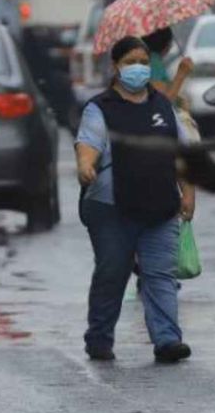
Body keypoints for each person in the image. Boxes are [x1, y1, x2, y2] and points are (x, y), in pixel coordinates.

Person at [75, 35, 196, 364]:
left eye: (144, 63)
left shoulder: (163, 107)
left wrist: (188, 191)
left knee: (159, 275)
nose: (139, 69)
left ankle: (168, 340)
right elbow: (89, 143)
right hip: (111, 208)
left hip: (160, 207)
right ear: (115, 67)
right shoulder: (100, 108)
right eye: (131, 63)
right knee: (113, 272)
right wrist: (86, 166)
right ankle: (99, 337)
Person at [141, 26, 193, 102]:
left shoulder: (149, 59)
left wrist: (178, 100)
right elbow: (163, 101)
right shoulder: (154, 63)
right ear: (166, 43)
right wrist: (181, 74)